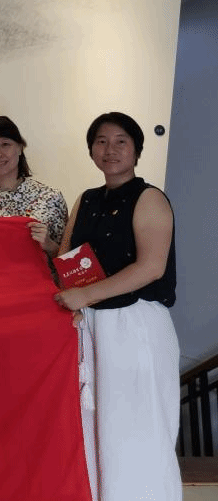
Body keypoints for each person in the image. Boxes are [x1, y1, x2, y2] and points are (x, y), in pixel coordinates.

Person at [55, 112, 180, 501]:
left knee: (137, 427)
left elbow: (151, 267)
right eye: (101, 141)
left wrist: (85, 296)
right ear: (91, 150)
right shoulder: (87, 199)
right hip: (91, 324)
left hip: (136, 324)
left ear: (137, 150)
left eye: (121, 141)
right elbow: (68, 259)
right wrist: (75, 297)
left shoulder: (149, 198)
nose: (110, 150)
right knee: (98, 427)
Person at [0, 115, 67, 256]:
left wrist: (49, 245)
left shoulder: (51, 198)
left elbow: (70, 260)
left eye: (5, 144)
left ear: (20, 148)